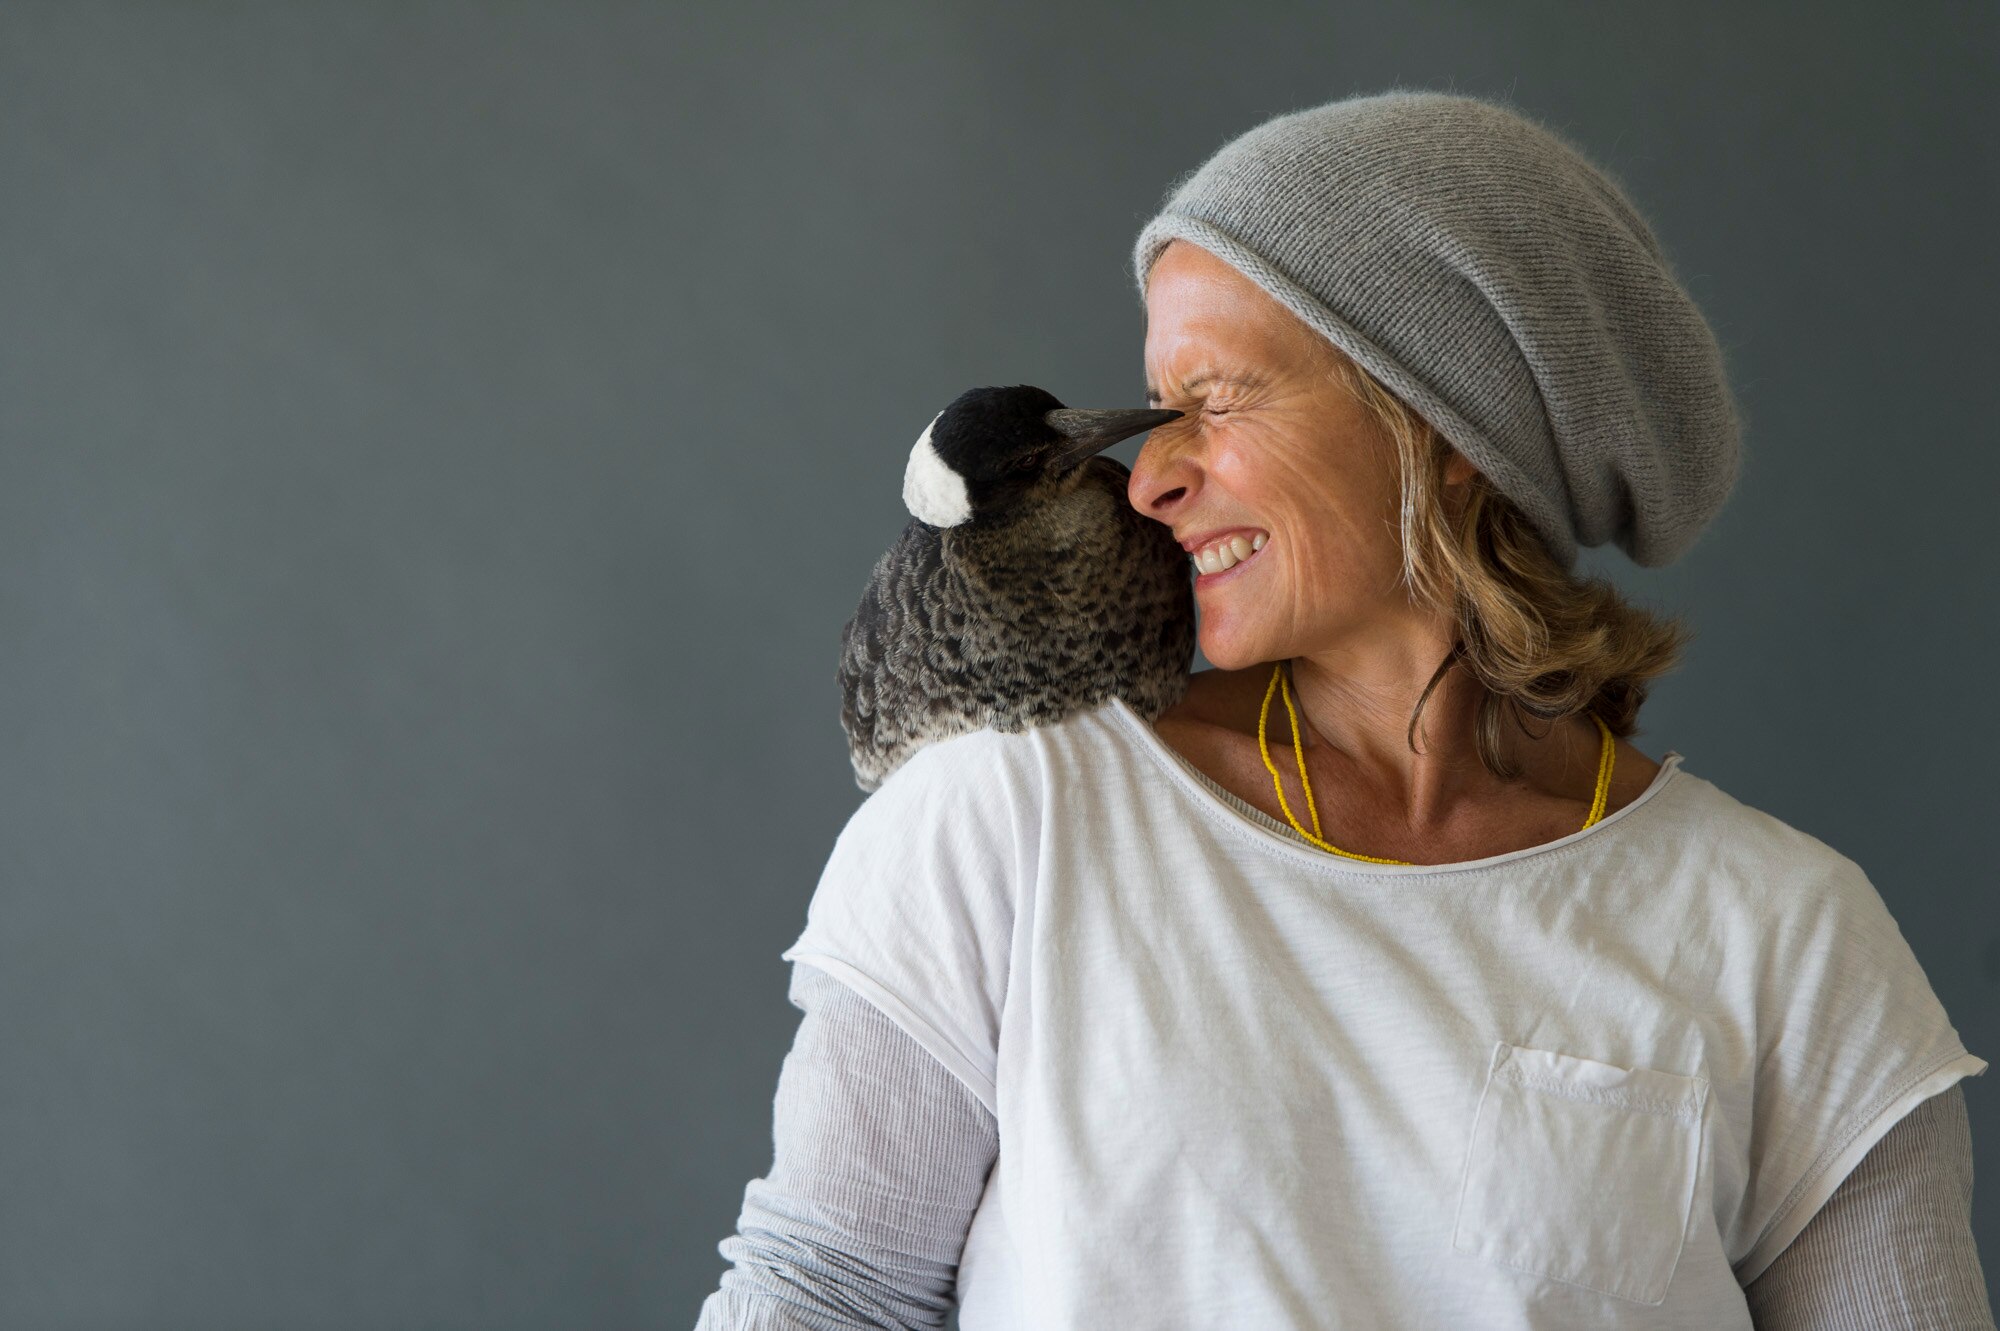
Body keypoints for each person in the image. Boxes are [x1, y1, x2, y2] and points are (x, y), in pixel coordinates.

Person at [694, 90, 1993, 1328]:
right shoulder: (1018, 816)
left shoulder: (1789, 939)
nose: (1149, 476)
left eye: (1212, 401)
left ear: (1447, 423)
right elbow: (824, 1297)